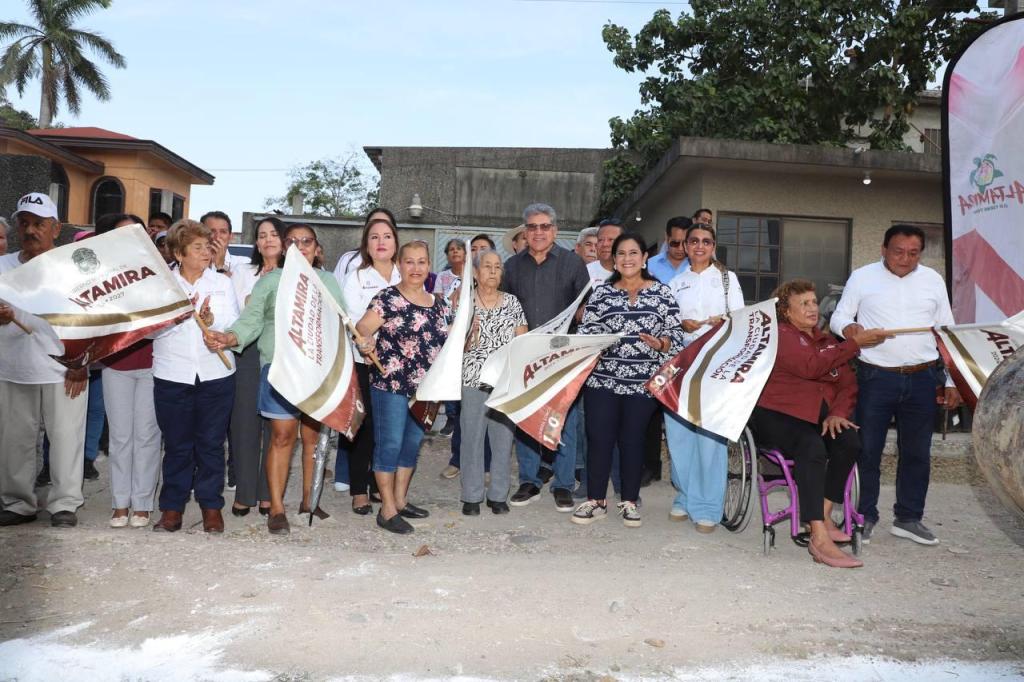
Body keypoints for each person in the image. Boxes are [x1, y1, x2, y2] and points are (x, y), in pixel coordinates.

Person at [206, 224, 344, 535]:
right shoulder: (270, 281)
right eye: (293, 242)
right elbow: (251, 321)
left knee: (311, 439)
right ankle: (277, 508)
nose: (300, 246)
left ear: (317, 248)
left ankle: (309, 501)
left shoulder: (327, 281)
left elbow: (342, 320)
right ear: (285, 249)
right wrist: (230, 337)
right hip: (279, 369)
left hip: (317, 372)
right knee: (282, 436)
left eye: (306, 241)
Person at [830, 224, 961, 546]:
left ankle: (909, 518)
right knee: (867, 451)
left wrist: (950, 380)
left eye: (913, 253)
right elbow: (838, 316)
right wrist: (851, 329)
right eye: (898, 251)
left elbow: (947, 331)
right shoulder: (863, 277)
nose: (905, 259)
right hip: (875, 377)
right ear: (883, 249)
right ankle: (863, 516)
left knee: (917, 452)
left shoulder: (932, 280)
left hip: (922, 376)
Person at [751, 280, 890, 568]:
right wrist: (854, 344)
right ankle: (818, 536)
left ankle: (823, 515)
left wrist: (838, 412)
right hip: (777, 413)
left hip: (817, 416)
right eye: (804, 303)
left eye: (814, 302)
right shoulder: (781, 335)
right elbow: (810, 366)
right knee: (811, 447)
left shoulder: (828, 342)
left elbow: (848, 384)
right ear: (786, 313)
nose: (813, 308)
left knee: (848, 440)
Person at [572, 233, 686, 527]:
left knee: (632, 440)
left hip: (643, 383)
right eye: (621, 254)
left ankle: (629, 500)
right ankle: (596, 500)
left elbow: (675, 337)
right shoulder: (602, 293)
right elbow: (587, 334)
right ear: (615, 260)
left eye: (633, 253)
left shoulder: (662, 294)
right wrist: (598, 340)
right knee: (598, 438)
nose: (627, 259)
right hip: (602, 381)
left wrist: (660, 344)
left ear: (645, 258)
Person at [0, 193, 88, 528]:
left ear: (56, 229)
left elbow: (95, 317)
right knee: (14, 439)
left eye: (39, 224)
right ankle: (17, 502)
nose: (30, 230)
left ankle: (64, 503)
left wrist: (83, 361)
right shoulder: (2, 266)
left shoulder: (73, 269)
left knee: (66, 437)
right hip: (11, 366)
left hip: (64, 367)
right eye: (24, 223)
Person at [355, 240, 451, 534]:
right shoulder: (387, 298)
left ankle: (400, 500)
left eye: (422, 262)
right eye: (409, 261)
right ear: (399, 264)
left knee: (411, 445)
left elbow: (450, 342)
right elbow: (362, 328)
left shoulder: (441, 303)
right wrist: (365, 342)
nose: (416, 267)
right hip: (391, 383)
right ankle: (386, 510)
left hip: (427, 389)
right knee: (391, 444)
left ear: (429, 266)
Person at [150, 219, 240, 533]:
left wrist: (213, 322)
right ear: (178, 252)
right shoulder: (163, 284)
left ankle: (211, 507)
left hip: (215, 375)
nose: (206, 251)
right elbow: (150, 333)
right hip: (172, 375)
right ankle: (172, 508)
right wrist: (176, 317)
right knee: (176, 445)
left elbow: (234, 324)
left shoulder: (222, 283)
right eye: (198, 247)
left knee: (212, 444)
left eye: (208, 245)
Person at [502, 203, 590, 512]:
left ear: (554, 230)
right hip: (525, 356)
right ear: (524, 231)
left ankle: (563, 484)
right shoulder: (511, 267)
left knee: (564, 418)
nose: (538, 232)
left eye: (544, 226)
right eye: (532, 226)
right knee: (526, 416)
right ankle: (529, 480)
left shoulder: (574, 264)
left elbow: (585, 309)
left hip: (563, 357)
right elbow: (501, 307)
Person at [665, 222, 745, 532]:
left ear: (713, 247)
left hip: (716, 361)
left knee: (710, 435)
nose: (700, 246)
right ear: (684, 246)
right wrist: (680, 325)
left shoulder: (727, 280)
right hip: (682, 361)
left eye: (706, 242)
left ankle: (708, 506)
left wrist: (721, 321)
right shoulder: (675, 282)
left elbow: (739, 318)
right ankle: (685, 496)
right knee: (679, 433)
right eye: (693, 241)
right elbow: (667, 324)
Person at [91, 214, 162, 528]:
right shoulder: (101, 276)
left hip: (153, 364)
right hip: (116, 365)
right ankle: (120, 503)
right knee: (120, 438)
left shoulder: (158, 272)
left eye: (137, 232)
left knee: (147, 436)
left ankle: (143, 503)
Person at [340, 216, 401, 515]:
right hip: (363, 361)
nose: (381, 242)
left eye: (387, 236)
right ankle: (358, 489)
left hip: (398, 367)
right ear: (366, 244)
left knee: (387, 429)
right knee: (362, 426)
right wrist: (365, 343)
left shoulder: (406, 275)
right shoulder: (357, 277)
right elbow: (352, 320)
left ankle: (380, 485)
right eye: (374, 237)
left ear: (395, 242)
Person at [459, 248, 527, 515]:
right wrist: (467, 334)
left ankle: (498, 495)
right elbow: (452, 348)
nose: (492, 271)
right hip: (472, 379)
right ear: (475, 273)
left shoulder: (512, 302)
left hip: (504, 382)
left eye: (497, 267)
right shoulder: (464, 302)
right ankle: (471, 496)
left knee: (502, 440)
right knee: (472, 439)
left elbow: (523, 341)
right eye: (487, 266)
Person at [227, 216, 285, 518]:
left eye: (274, 234)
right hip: (247, 352)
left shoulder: (295, 274)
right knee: (244, 424)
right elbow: (243, 308)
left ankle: (267, 493)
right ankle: (245, 493)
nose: (267, 240)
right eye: (261, 236)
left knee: (276, 427)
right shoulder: (241, 271)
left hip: (280, 353)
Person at [434, 239, 467, 441]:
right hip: (447, 329)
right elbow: (438, 301)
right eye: (451, 250)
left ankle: (465, 417)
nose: (455, 252)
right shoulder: (443, 277)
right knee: (450, 374)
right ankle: (451, 417)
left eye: (459, 249)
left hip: (469, 329)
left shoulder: (473, 273)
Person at [647, 216, 691, 285]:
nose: (680, 248)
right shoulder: (650, 266)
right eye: (675, 243)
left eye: (685, 243)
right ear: (667, 238)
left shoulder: (697, 265)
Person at [587, 218, 624, 285]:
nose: (605, 244)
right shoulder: (586, 272)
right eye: (601, 240)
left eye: (611, 240)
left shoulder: (635, 274)